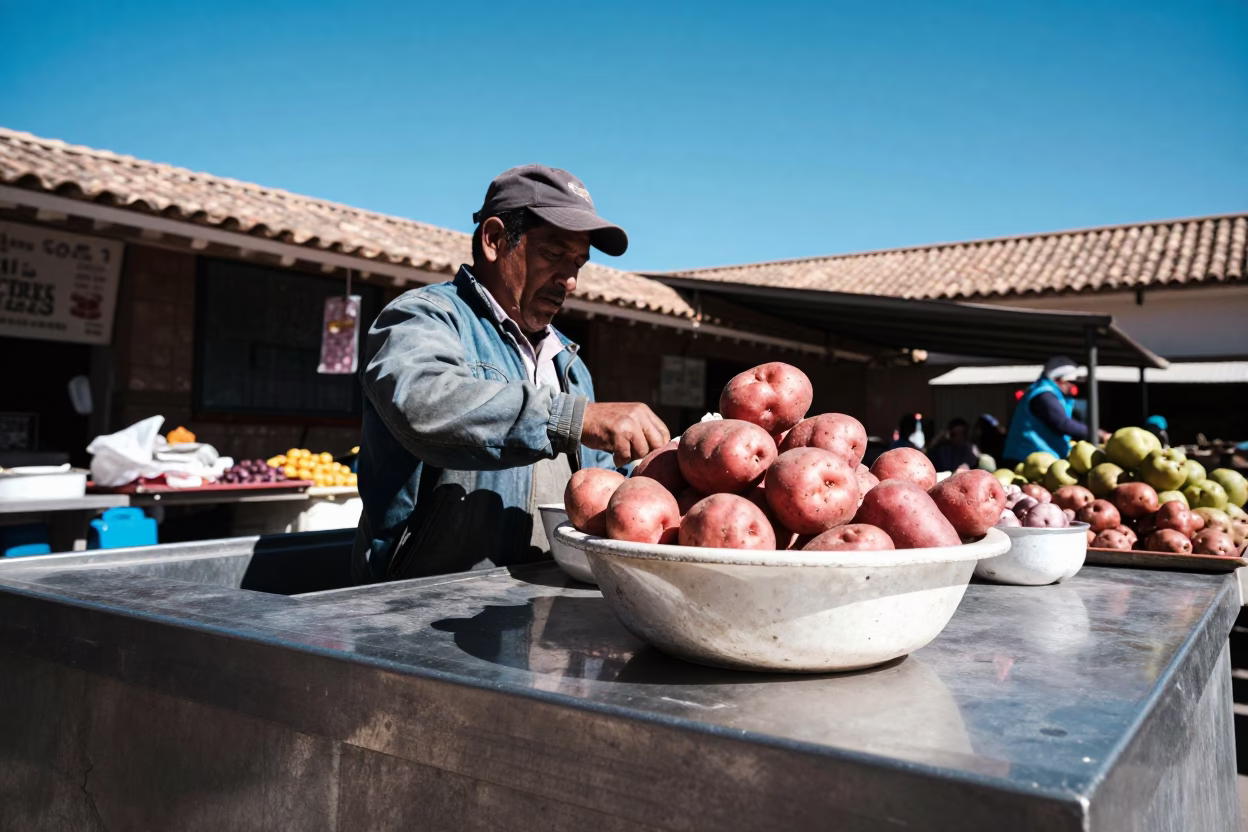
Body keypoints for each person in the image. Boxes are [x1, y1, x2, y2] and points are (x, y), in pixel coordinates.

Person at [351, 165, 669, 583]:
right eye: (555, 254)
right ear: (495, 239)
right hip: (417, 607)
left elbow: (602, 483)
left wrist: (667, 473)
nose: (570, 280)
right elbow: (423, 403)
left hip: (532, 601)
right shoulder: (423, 319)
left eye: (578, 263)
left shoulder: (569, 365)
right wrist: (573, 420)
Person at [1003, 356, 1108, 466]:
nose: (1073, 385)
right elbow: (1062, 423)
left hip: (1036, 458)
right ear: (1058, 380)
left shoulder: (1048, 393)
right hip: (1026, 457)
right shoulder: (1044, 395)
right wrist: (1098, 434)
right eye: (1070, 381)